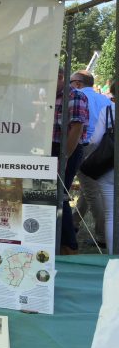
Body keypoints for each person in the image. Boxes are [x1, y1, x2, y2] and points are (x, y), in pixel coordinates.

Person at [70, 71, 112, 248]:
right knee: (90, 189)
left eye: (71, 81)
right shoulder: (106, 100)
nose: (69, 85)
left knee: (92, 192)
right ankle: (75, 222)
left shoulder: (76, 96)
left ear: (78, 83)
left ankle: (102, 236)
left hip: (85, 145)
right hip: (105, 150)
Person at [52, 69, 89, 255]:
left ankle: (69, 246)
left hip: (67, 150)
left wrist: (63, 157)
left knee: (60, 196)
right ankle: (58, 242)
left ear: (60, 77)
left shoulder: (75, 96)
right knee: (51, 196)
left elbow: (76, 130)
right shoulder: (49, 95)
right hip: (51, 148)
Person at [87, 82, 115, 254]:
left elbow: (95, 140)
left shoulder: (109, 111)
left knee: (111, 214)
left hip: (108, 167)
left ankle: (112, 257)